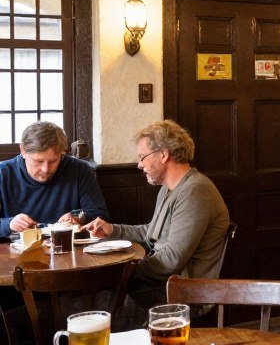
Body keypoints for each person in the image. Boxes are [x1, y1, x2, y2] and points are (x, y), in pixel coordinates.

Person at [85, 120, 229, 320]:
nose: (139, 164)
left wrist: (126, 269)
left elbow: (172, 259)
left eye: (142, 157)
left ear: (163, 154)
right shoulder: (168, 188)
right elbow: (151, 230)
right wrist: (112, 229)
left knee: (100, 309)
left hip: (183, 293)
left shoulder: (195, 190)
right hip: (162, 283)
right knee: (95, 300)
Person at [0, 121, 107, 238]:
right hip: (14, 252)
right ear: (23, 151)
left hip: (70, 247)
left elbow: (100, 216)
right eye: (39, 161)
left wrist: (78, 217)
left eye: (53, 161)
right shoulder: (3, 173)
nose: (46, 169)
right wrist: (9, 224)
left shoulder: (79, 170)